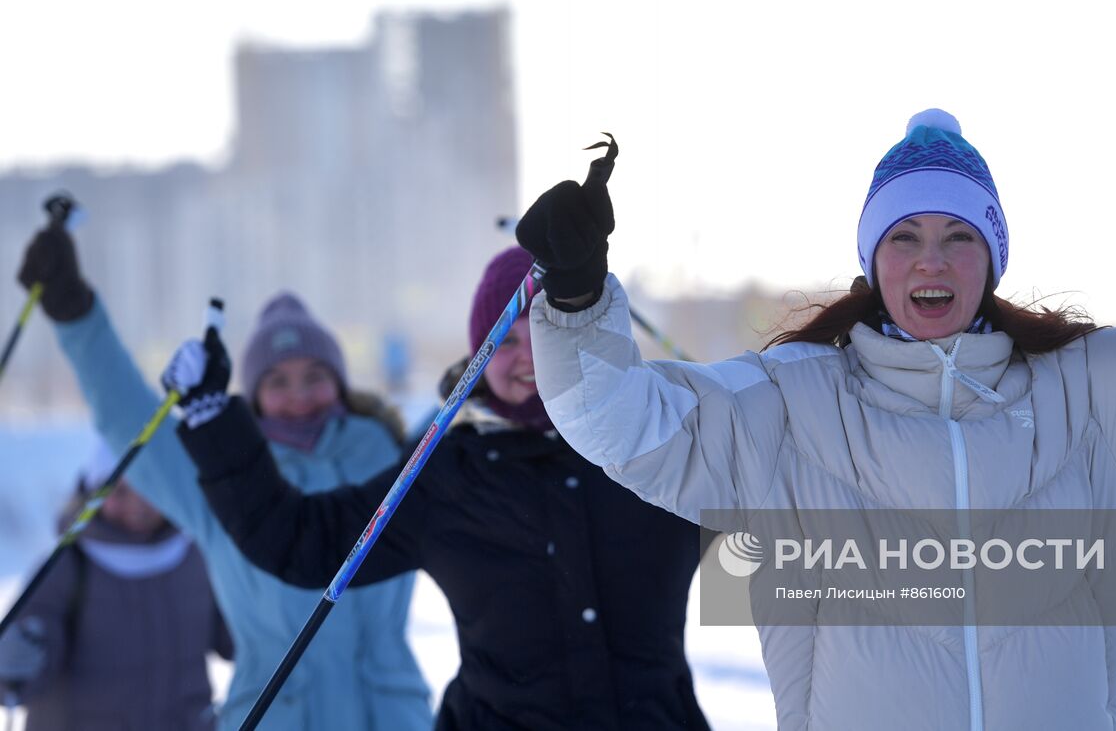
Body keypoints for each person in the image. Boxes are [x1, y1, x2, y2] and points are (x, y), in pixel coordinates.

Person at [514, 71, 1116, 731]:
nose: (929, 261)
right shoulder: (791, 405)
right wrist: (579, 300)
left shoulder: (1089, 391)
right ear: (873, 260)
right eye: (903, 237)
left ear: (991, 257)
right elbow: (619, 419)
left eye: (958, 236)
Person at [161, 245, 713, 731]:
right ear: (480, 351)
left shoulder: (656, 442)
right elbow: (305, 541)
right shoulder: (447, 471)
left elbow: (783, 544)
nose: (526, 358)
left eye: (545, 332)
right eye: (507, 339)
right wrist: (214, 422)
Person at [14, 234, 434, 731]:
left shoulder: (395, 459)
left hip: (391, 719)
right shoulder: (221, 476)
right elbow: (129, 418)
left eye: (315, 375)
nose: (299, 395)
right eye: (277, 381)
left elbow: (486, 393)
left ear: (340, 384)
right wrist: (76, 315)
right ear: (253, 398)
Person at [0, 442, 232, 730]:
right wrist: (17, 659)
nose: (137, 505)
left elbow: (241, 640)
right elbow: (27, 656)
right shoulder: (67, 565)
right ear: (94, 494)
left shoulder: (197, 556)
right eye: (120, 492)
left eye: (148, 489)